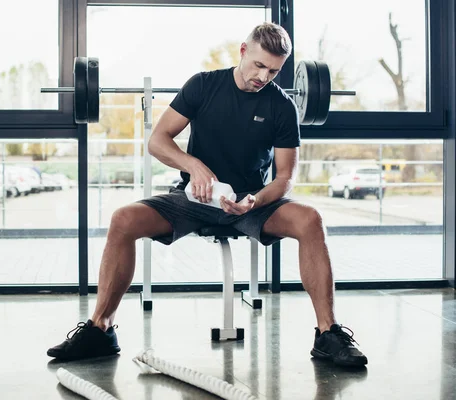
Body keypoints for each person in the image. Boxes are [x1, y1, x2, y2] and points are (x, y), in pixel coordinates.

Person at [47, 22, 368, 368]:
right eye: (259, 65)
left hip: (250, 203)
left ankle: (327, 333)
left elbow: (285, 177)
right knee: (123, 219)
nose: (264, 76)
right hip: (193, 199)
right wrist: (193, 165)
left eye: (273, 71)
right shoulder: (203, 85)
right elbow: (158, 141)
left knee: (310, 219)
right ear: (243, 51)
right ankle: (100, 331)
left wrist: (255, 200)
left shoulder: (281, 106)